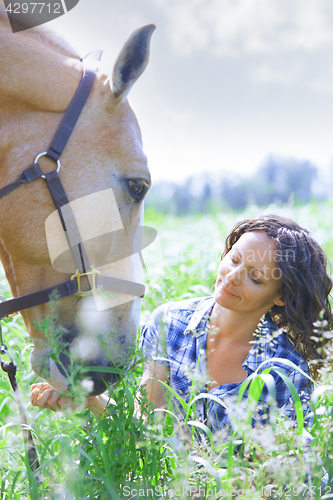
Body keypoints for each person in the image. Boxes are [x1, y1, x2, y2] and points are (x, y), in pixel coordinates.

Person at [31, 215, 333, 435]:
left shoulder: (283, 370)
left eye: (255, 277)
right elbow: (149, 428)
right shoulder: (169, 323)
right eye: (234, 258)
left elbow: (275, 478)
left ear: (280, 297)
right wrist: (89, 399)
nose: (232, 276)